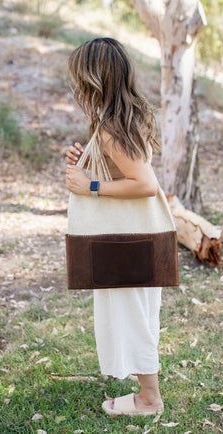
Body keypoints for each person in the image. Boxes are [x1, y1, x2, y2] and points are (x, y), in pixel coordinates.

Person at [65, 37, 164, 416]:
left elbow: (144, 184)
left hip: (125, 241)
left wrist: (90, 185)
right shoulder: (124, 119)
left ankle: (149, 399)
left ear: (95, 79)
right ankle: (146, 394)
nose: (78, 87)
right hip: (135, 236)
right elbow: (128, 173)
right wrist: (89, 164)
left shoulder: (110, 128)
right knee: (136, 314)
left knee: (131, 316)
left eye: (81, 79)